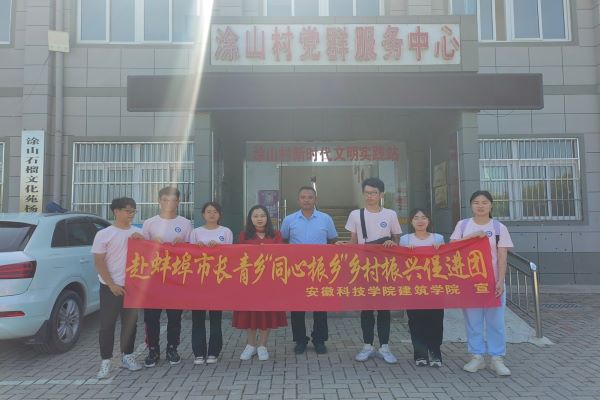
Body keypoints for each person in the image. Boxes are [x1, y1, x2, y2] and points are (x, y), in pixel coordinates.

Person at [450, 190, 514, 376]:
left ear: (491, 205)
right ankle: (476, 357)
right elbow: (452, 247)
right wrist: (472, 237)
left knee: (496, 322)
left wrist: (500, 280)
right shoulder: (463, 225)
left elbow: (502, 256)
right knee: (473, 321)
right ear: (471, 205)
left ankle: (497, 358)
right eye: (476, 202)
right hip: (470, 283)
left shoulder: (499, 227)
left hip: (493, 282)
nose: (480, 206)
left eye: (484, 202)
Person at [342, 177, 401, 364]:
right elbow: (353, 242)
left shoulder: (390, 214)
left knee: (384, 309)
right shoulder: (355, 215)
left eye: (374, 193)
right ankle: (367, 345)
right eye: (367, 193)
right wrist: (342, 246)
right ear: (363, 194)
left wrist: (392, 242)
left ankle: (384, 346)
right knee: (366, 308)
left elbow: (397, 240)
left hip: (384, 267)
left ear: (381, 194)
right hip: (364, 267)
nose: (370, 196)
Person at [139, 187, 193, 368]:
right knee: (151, 317)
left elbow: (192, 250)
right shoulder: (149, 223)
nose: (168, 203)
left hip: (176, 278)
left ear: (178, 202)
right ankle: (153, 350)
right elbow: (141, 250)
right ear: (159, 201)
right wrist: (151, 243)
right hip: (153, 278)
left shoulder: (185, 223)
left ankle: (172, 348)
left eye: (172, 200)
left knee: (174, 317)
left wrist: (183, 244)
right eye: (164, 199)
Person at [280, 186, 338, 355]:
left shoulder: (325, 219)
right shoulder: (289, 220)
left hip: (319, 270)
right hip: (296, 270)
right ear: (298, 200)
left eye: (310, 197)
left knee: (320, 306)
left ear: (315, 200)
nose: (306, 200)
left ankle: (319, 340)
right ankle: (300, 340)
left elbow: (333, 240)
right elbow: (283, 241)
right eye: (303, 197)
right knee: (297, 307)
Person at [92, 197, 143, 379]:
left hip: (132, 287)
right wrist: (111, 284)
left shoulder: (138, 233)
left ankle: (127, 356)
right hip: (110, 286)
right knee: (107, 325)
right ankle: (105, 361)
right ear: (116, 211)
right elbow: (99, 261)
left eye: (133, 211)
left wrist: (142, 241)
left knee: (130, 324)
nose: (131, 214)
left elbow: (150, 255)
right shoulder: (104, 234)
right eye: (128, 211)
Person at [233, 205, 288, 361]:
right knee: (249, 314)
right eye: (255, 216)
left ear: (267, 218)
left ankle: (263, 345)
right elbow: (237, 256)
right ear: (250, 219)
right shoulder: (244, 235)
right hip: (249, 283)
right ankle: (250, 345)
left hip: (269, 282)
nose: (259, 219)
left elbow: (283, 255)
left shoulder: (276, 234)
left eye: (262, 215)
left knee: (266, 314)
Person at [189, 201, 233, 365]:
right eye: (208, 211)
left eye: (215, 211)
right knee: (197, 319)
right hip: (198, 282)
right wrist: (197, 247)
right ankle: (198, 353)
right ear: (203, 214)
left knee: (215, 318)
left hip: (217, 281)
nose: (212, 214)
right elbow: (189, 256)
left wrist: (219, 247)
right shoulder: (195, 232)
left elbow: (231, 255)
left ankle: (214, 352)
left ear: (220, 214)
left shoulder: (226, 232)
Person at [400, 208, 445, 368]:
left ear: (429, 221)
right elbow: (400, 263)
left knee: (435, 321)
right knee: (416, 321)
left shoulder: (438, 238)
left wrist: (440, 249)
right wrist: (406, 252)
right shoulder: (405, 239)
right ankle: (420, 354)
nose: (420, 221)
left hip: (434, 287)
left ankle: (435, 353)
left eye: (424, 217)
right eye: (416, 218)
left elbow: (445, 261)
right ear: (411, 221)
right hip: (413, 288)